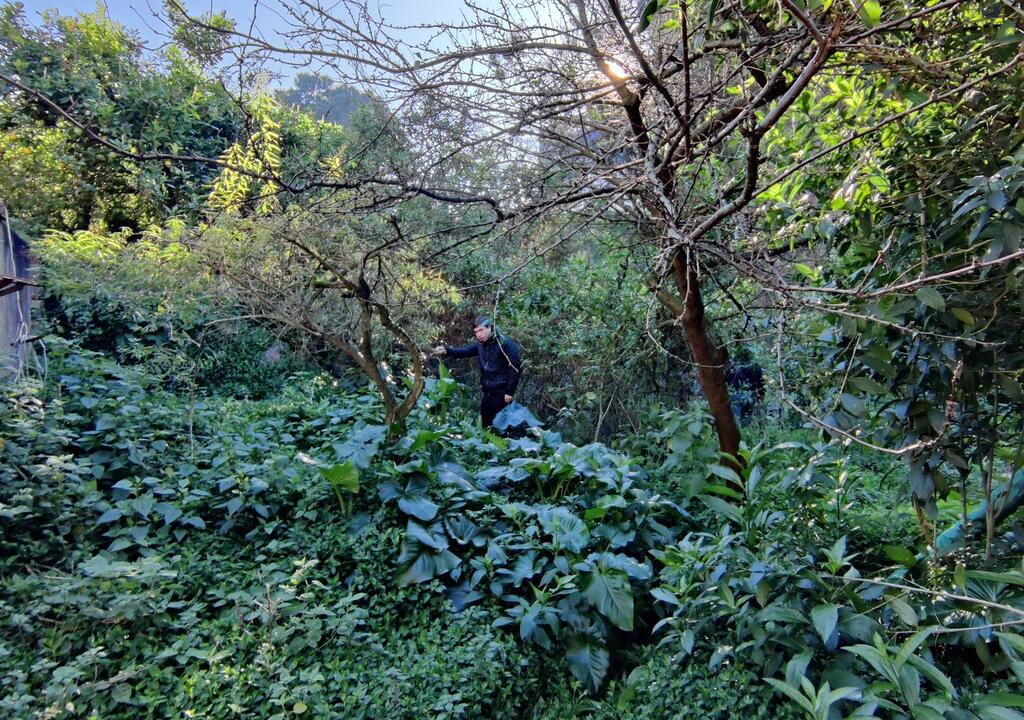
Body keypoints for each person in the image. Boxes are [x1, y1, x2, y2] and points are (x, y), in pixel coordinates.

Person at [434, 316, 522, 428]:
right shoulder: (481, 344)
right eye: (476, 332)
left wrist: (510, 391)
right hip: (487, 390)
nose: (478, 334)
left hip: (502, 391)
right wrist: (447, 350)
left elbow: (516, 368)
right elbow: (466, 351)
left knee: (500, 427)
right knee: (484, 424)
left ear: (490, 328)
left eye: (481, 330)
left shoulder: (505, 344)